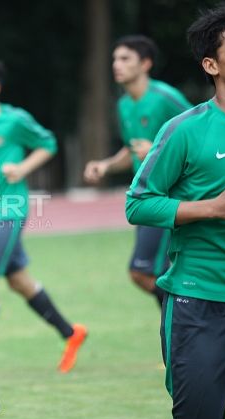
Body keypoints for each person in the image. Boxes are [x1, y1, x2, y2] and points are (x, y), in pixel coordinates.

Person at [126, 2, 225, 419]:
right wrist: (212, 207)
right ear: (211, 64)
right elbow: (137, 203)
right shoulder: (186, 130)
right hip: (198, 306)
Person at [0, 57, 87, 372]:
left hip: (9, 208)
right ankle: (71, 334)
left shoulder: (15, 121)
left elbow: (48, 143)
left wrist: (22, 168)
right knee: (18, 281)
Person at [84, 35, 191, 306]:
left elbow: (201, 136)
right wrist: (105, 165)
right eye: (114, 59)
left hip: (170, 196)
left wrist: (158, 150)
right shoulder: (123, 105)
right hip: (145, 197)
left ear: (145, 64)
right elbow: (132, 149)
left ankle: (186, 317)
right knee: (155, 273)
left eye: (124, 59)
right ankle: (180, 326)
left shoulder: (166, 97)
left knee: (143, 272)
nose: (116, 65)